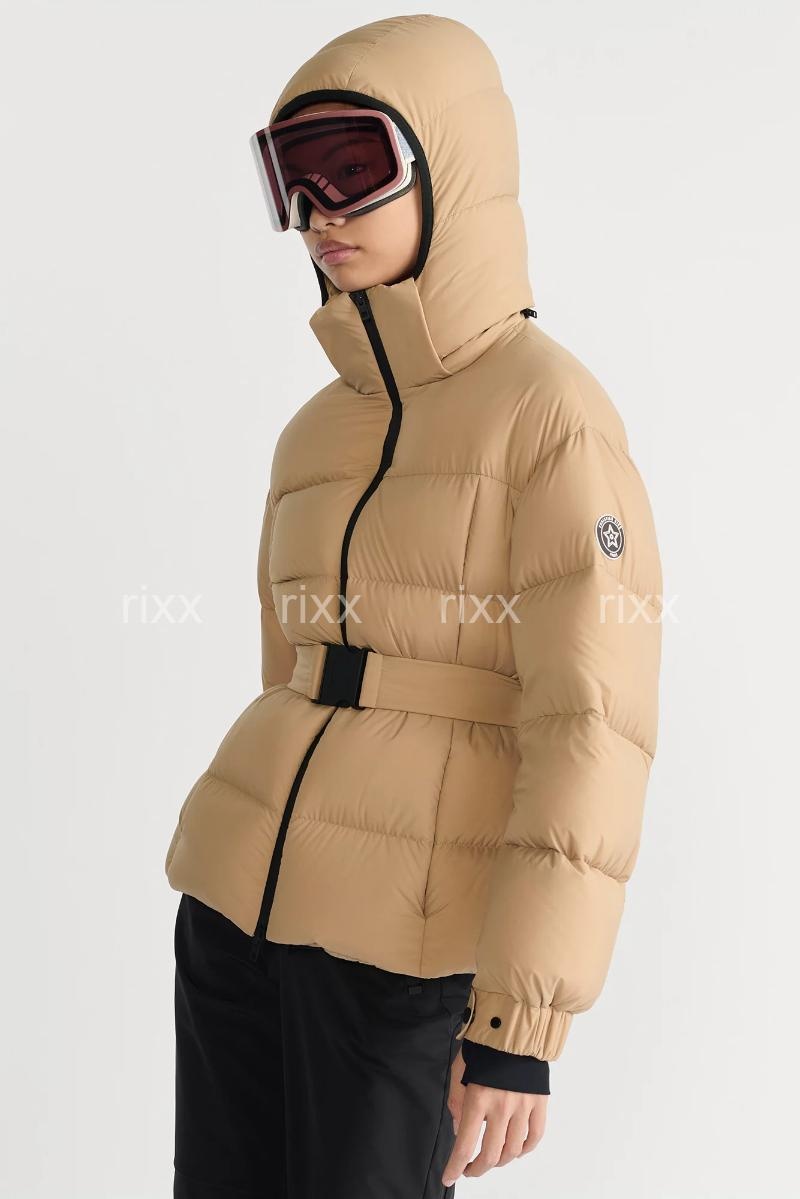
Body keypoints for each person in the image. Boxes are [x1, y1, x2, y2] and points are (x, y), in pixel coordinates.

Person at [164, 14, 663, 1198]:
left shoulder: (549, 415)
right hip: (233, 909)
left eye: (352, 164)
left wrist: (519, 1023)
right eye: (291, 178)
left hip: (407, 945)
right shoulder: (312, 432)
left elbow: (590, 724)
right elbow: (286, 666)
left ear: (451, 166)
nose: (318, 209)